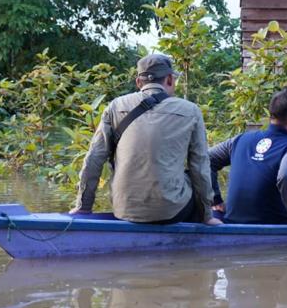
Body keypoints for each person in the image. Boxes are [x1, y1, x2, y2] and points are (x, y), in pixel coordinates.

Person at [71, 54, 220, 225]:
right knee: (191, 176)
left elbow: (94, 158)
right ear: (170, 79)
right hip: (171, 211)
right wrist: (207, 216)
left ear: (138, 82)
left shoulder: (115, 106)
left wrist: (84, 206)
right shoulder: (191, 110)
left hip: (123, 209)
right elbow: (200, 166)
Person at [208, 88, 287, 233]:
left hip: (232, 223)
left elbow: (207, 159)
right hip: (274, 226)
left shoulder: (240, 139)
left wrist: (215, 199)